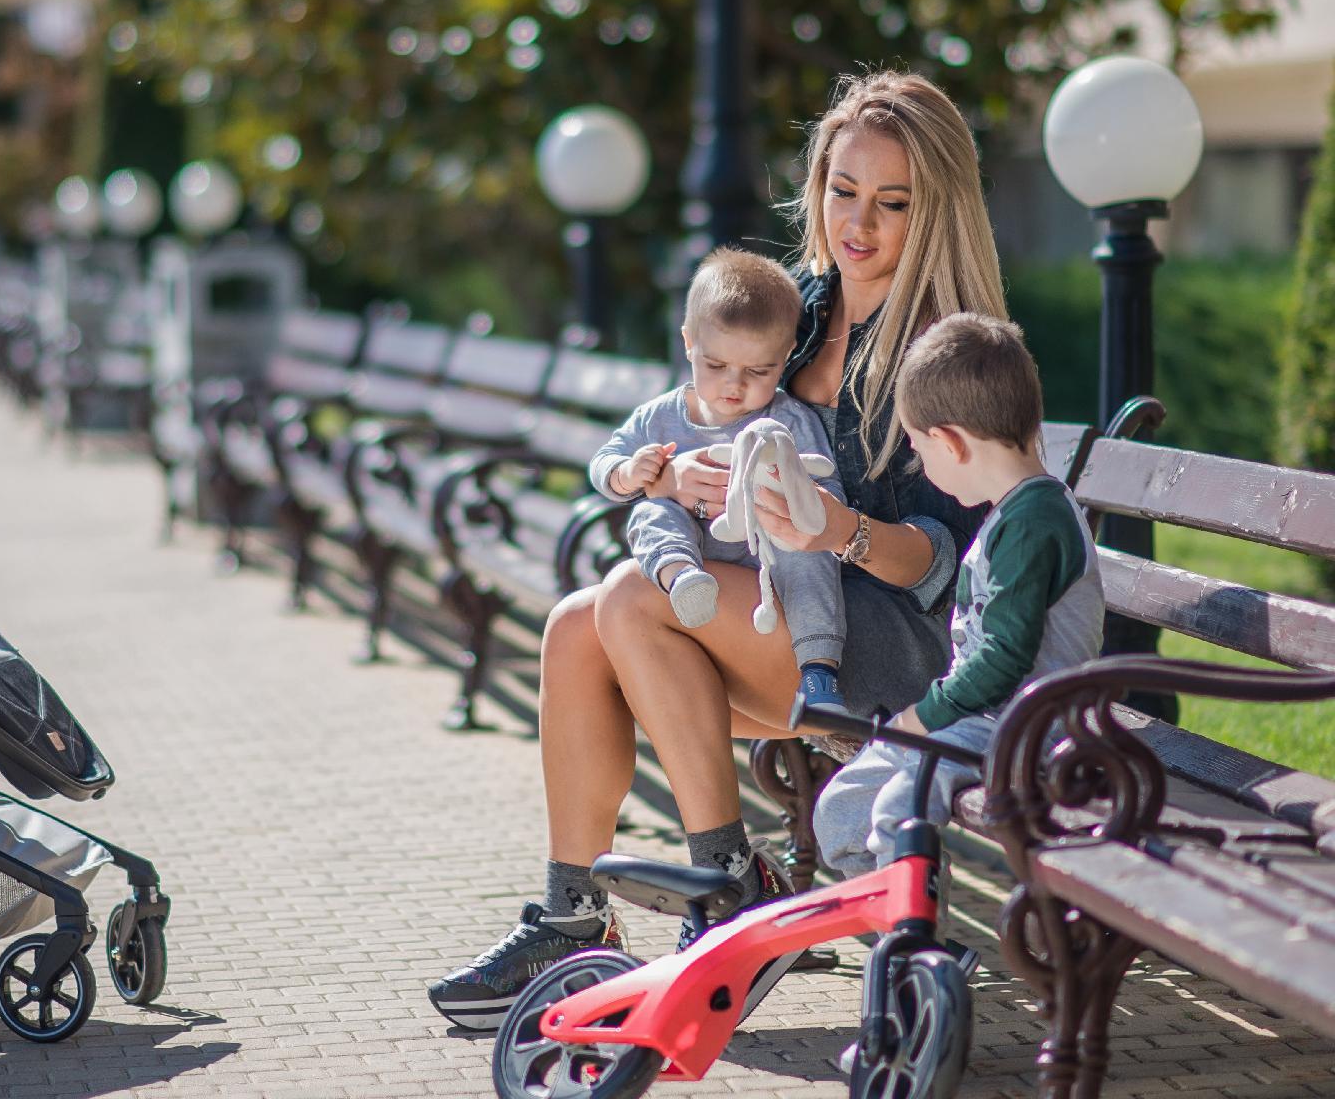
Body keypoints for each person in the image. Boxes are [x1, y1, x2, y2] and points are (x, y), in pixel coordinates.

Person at [427, 70, 1008, 1032]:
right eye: (843, 190)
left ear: (935, 210)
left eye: (893, 202)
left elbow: (946, 566)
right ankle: (575, 917)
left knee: (624, 595)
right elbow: (692, 416)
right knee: (580, 625)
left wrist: (836, 529)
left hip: (888, 650)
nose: (859, 222)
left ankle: (727, 885)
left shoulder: (945, 351)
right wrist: (671, 477)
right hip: (772, 616)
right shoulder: (800, 309)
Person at [812, 313, 1103, 876]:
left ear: (950, 442)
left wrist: (924, 715)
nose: (922, 463)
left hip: (1026, 728)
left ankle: (915, 939)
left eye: (920, 449)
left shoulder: (1034, 521)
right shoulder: (1015, 513)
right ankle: (885, 928)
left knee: (900, 805)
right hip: (981, 720)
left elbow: (1003, 658)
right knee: (843, 805)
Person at [591, 247, 848, 722]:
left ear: (787, 354)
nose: (734, 385)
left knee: (806, 553)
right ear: (689, 342)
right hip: (700, 557)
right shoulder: (662, 416)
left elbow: (825, 484)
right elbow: (605, 462)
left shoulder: (787, 418)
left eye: (758, 372)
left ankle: (818, 669)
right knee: (651, 513)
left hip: (765, 563)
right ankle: (681, 580)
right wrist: (631, 474)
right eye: (715, 366)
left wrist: (790, 493)